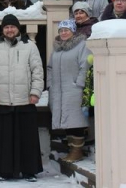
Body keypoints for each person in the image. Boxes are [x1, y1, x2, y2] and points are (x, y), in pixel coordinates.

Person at [0, 14, 44, 182]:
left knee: (27, 138)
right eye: (6, 27)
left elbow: (37, 71)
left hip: (25, 99)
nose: (9, 30)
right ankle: (3, 171)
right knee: (3, 139)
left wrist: (35, 92)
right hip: (1, 100)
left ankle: (29, 171)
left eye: (12, 27)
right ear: (3, 30)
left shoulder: (30, 46)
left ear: (18, 28)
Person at [47, 19, 91, 163]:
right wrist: (50, 84)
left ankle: (77, 150)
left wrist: (78, 84)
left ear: (73, 31)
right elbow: (50, 68)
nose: (64, 33)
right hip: (58, 90)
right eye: (61, 30)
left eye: (67, 30)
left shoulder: (81, 45)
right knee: (65, 120)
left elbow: (85, 65)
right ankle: (72, 148)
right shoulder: (57, 49)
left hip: (73, 89)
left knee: (75, 120)